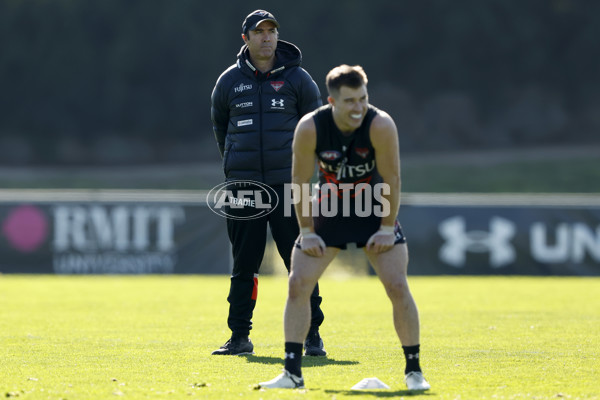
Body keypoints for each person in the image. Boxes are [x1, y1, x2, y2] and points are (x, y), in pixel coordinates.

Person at [259, 65, 431, 391]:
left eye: (363, 99)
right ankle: (292, 373)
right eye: (350, 101)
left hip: (374, 207)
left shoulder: (380, 124)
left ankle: (414, 372)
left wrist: (385, 227)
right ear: (332, 101)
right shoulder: (310, 127)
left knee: (396, 284)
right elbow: (299, 182)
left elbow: (393, 179)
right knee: (298, 284)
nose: (358, 107)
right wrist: (307, 232)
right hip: (330, 207)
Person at [210, 10, 326, 356]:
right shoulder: (228, 82)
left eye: (272, 31)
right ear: (245, 38)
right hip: (244, 189)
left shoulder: (298, 79)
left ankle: (311, 336)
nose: (267, 37)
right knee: (244, 264)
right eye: (259, 32)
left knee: (301, 262)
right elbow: (221, 129)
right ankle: (239, 337)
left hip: (290, 186)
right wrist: (234, 170)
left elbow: (317, 130)